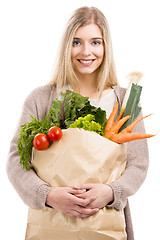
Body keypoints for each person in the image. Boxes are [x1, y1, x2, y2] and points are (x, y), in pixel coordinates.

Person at [7, 6, 149, 240]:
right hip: (51, 223)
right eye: (76, 42)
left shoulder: (126, 101)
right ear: (66, 47)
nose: (86, 51)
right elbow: (15, 160)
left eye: (95, 42)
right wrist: (48, 195)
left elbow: (138, 163)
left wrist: (111, 192)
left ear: (106, 46)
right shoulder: (41, 99)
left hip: (105, 222)